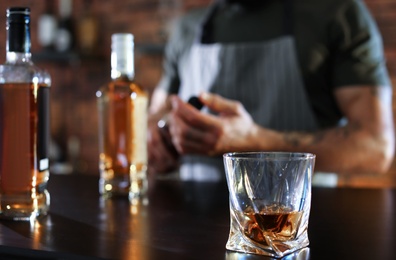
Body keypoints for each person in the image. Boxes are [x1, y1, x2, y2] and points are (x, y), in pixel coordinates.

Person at [147, 0, 395, 186]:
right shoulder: (188, 28)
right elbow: (155, 119)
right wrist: (158, 139)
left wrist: (254, 141)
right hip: (195, 230)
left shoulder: (336, 13)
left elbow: (375, 147)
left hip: (303, 228)